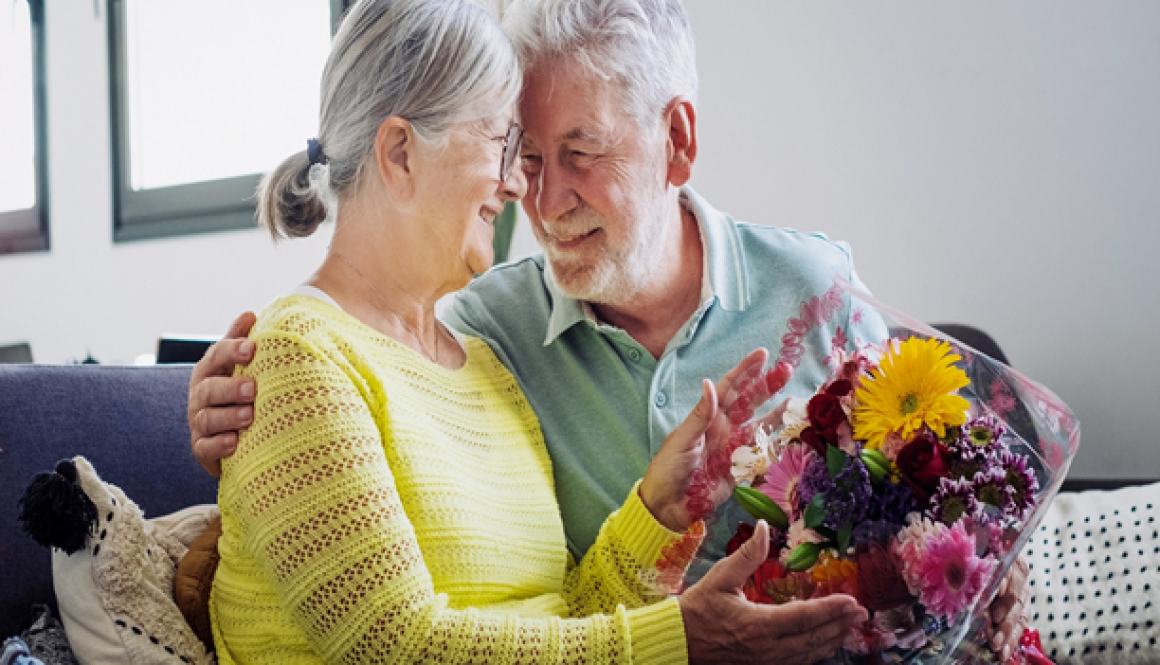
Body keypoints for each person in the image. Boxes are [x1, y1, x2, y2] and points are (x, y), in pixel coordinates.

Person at [192, 0, 1029, 660]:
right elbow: (389, 630)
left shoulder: (482, 358)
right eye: (516, 149)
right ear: (403, 154)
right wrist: (208, 400)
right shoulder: (487, 324)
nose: (536, 194)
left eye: (580, 152)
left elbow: (566, 604)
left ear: (677, 141)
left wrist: (660, 506)